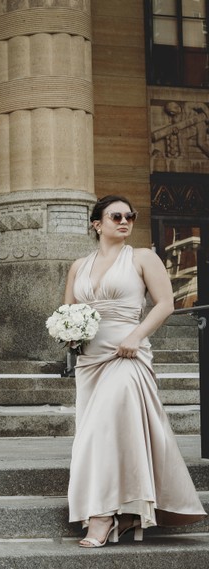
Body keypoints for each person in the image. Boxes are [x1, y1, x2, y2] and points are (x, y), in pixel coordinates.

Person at [62, 195, 206, 547]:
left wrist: (135, 336)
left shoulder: (142, 257)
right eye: (116, 216)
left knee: (104, 428)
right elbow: (67, 310)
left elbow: (166, 303)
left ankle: (101, 515)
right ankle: (124, 514)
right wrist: (70, 336)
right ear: (97, 223)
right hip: (90, 361)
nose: (125, 221)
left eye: (130, 216)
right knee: (100, 433)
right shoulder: (78, 265)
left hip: (128, 356)